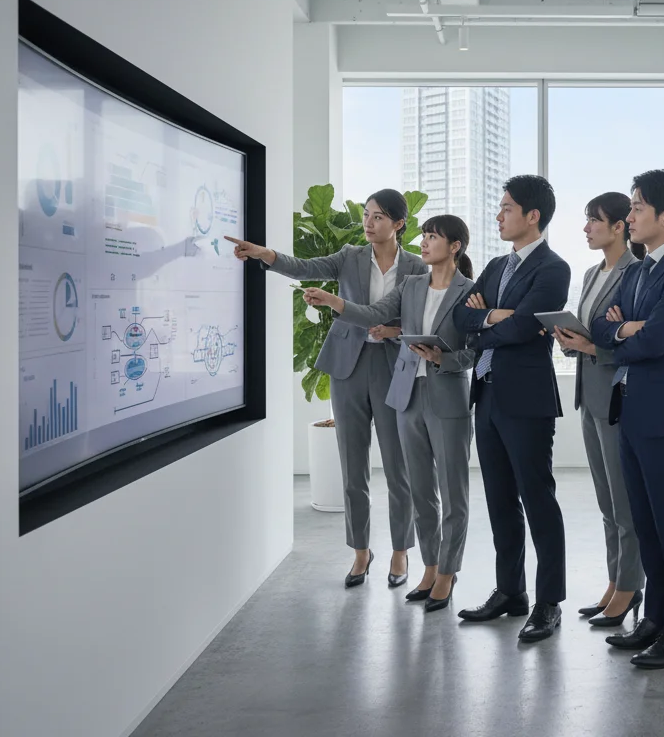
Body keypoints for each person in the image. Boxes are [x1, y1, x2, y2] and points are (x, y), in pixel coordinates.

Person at [225, 189, 424, 589]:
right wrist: (266, 254)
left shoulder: (417, 267)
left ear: (399, 224)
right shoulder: (350, 256)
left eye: (378, 217)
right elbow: (304, 267)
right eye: (366, 215)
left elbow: (421, 318)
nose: (368, 223)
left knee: (397, 466)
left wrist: (395, 330)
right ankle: (361, 552)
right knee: (353, 465)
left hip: (392, 367)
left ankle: (400, 551)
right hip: (347, 368)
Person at [303, 215, 476, 613]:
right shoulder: (411, 285)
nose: (424, 242)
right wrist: (335, 301)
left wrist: (445, 358)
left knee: (453, 494)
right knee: (421, 492)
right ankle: (429, 568)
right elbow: (373, 313)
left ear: (454, 247)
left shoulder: (470, 292)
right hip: (407, 395)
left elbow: (478, 349)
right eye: (424, 235)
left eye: (433, 237)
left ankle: (448, 573)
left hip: (448, 398)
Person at [590, 169, 664, 670]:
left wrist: (629, 331)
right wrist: (627, 329)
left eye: (638, 207)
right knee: (647, 524)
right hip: (631, 408)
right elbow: (600, 324)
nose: (630, 215)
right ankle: (655, 618)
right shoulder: (638, 271)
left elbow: (656, 342)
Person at [452, 175, 571, 643]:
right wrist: (493, 317)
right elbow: (460, 317)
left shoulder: (553, 269)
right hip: (486, 394)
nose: (498, 216)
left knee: (537, 499)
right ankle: (510, 591)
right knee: (499, 499)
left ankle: (548, 602)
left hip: (527, 399)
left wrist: (489, 322)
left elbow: (524, 329)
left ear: (532, 215)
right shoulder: (497, 265)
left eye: (506, 208)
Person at [551, 193, 647, 627]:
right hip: (588, 394)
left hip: (617, 396)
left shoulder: (636, 273)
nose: (587, 228)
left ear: (619, 226)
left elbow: (629, 341)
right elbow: (596, 331)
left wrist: (594, 345)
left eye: (594, 220)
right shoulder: (591, 273)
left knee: (624, 501)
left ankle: (629, 586)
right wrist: (571, 342)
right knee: (606, 500)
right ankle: (615, 581)